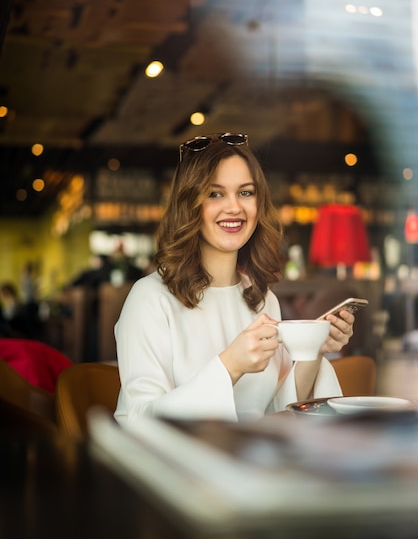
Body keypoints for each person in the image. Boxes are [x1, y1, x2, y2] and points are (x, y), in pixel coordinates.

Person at [114, 133, 354, 428]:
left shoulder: (262, 299)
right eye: (215, 194)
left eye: (246, 192)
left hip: (253, 460)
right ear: (190, 204)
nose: (234, 208)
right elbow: (141, 422)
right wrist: (230, 366)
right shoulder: (150, 298)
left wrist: (314, 349)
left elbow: (277, 410)